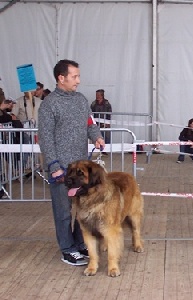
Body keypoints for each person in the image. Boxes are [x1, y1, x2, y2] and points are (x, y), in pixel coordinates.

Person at [38, 59, 105, 266]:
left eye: (78, 76)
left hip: (82, 169)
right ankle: (67, 249)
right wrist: (54, 166)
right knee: (63, 211)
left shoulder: (81, 100)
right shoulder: (49, 105)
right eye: (74, 76)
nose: (78, 80)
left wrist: (97, 136)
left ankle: (79, 243)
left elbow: (90, 123)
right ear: (61, 78)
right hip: (61, 169)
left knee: (82, 209)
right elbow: (46, 138)